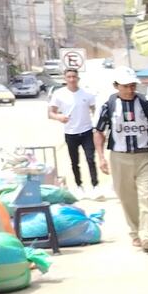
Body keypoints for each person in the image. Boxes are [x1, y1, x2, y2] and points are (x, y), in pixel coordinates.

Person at [94, 73, 148, 252]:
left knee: (147, 197)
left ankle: (147, 236)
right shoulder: (108, 106)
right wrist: (101, 157)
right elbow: (99, 132)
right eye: (126, 86)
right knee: (127, 198)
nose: (130, 89)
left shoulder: (146, 105)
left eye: (133, 85)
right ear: (116, 86)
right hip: (120, 158)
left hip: (146, 156)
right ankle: (135, 232)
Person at [47, 67, 100, 197]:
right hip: (71, 132)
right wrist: (59, 117)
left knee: (90, 159)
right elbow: (50, 113)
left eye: (74, 77)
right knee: (74, 161)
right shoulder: (59, 94)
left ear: (78, 78)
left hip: (87, 131)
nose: (72, 79)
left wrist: (96, 123)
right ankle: (79, 185)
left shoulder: (87, 94)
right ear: (65, 79)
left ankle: (95, 186)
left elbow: (95, 110)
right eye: (69, 77)